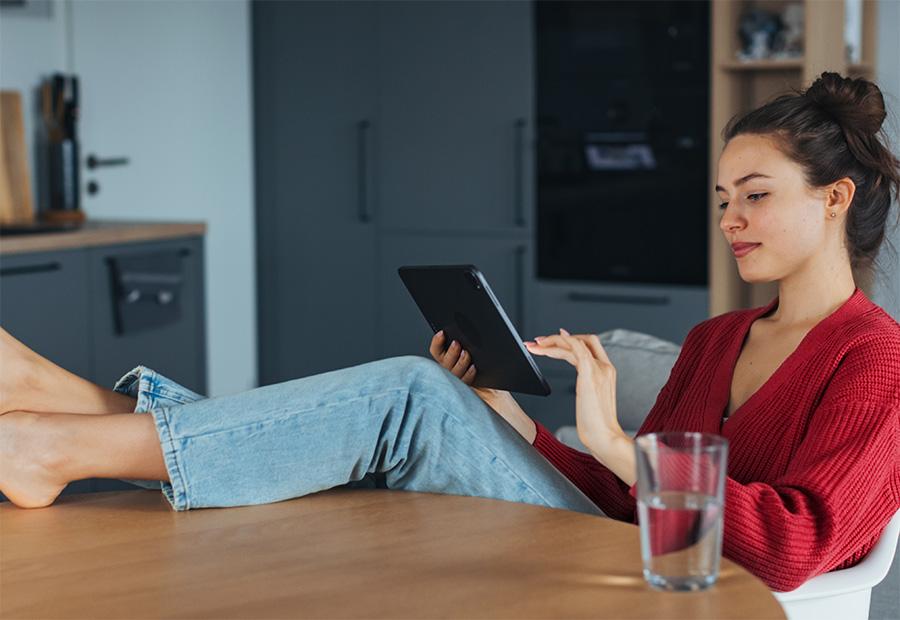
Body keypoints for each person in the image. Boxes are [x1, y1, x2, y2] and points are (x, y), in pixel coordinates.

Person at [1, 72, 898, 592]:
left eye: (755, 196)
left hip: (705, 584)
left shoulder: (879, 360)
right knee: (398, 426)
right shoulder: (717, 339)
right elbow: (622, 494)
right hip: (616, 536)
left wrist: (623, 447)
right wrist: (509, 418)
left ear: (834, 198)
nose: (730, 218)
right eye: (722, 199)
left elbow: (792, 549)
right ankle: (70, 415)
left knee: (403, 397)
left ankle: (63, 430)